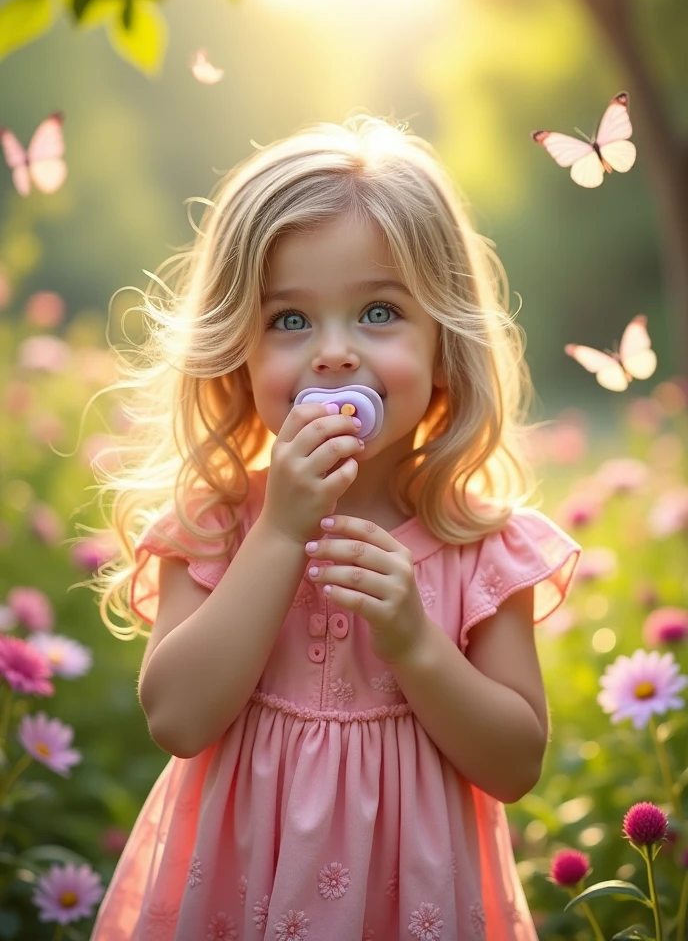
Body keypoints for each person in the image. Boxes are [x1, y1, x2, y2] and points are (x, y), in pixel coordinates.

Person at [90, 115, 581, 940]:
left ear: (443, 343)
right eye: (289, 321)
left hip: (409, 897)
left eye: (380, 312)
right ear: (236, 352)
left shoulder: (478, 544)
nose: (334, 354)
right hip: (239, 889)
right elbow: (176, 717)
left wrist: (417, 643)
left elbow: (514, 764)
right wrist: (279, 533)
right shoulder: (217, 522)